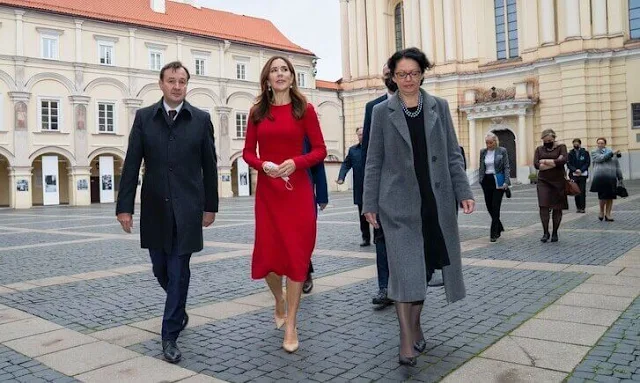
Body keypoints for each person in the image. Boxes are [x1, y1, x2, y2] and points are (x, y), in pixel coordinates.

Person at [362, 48, 474, 366]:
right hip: (396, 205)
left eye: (413, 73)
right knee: (403, 272)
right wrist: (369, 202)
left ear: (423, 73)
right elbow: (373, 161)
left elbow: (453, 153)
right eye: (401, 74)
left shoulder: (439, 106)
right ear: (392, 77)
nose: (408, 79)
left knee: (422, 272)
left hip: (435, 204)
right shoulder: (381, 112)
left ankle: (415, 324)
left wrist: (463, 191)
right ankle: (405, 339)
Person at [116, 61, 219, 363]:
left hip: (187, 210)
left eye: (182, 81)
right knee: (160, 269)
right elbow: (132, 163)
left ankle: (169, 335)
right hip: (155, 210)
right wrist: (125, 208)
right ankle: (179, 308)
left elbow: (209, 167)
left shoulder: (200, 119)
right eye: (171, 81)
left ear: (188, 85)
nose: (177, 86)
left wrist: (210, 206)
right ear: (161, 84)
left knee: (178, 272)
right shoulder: (145, 118)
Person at [242, 56, 327, 353]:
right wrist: (263, 164)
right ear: (267, 79)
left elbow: (320, 150)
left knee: (296, 255)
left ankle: (291, 323)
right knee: (268, 256)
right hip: (269, 192)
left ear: (292, 77)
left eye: (285, 70)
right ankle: (278, 300)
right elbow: (247, 153)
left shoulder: (305, 110)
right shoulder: (257, 112)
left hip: (298, 191)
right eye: (274, 70)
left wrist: (295, 162)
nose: (280, 74)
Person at [361, 63, 397, 307]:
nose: (389, 78)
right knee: (382, 240)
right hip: (384, 189)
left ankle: (410, 283)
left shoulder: (422, 104)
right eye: (385, 74)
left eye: (391, 73)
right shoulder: (372, 108)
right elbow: (368, 156)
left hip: (413, 188)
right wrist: (368, 198)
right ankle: (385, 287)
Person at [303, 137, 329, 294]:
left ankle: (305, 273)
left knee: (302, 238)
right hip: (278, 192)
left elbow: (318, 162)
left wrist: (322, 194)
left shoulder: (305, 127)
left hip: (304, 191)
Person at [533, 129, 568, 243]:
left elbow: (563, 161)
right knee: (543, 206)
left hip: (558, 181)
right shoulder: (539, 149)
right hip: (543, 181)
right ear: (542, 139)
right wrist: (554, 162)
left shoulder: (561, 147)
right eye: (545, 140)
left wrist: (545, 161)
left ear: (554, 139)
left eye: (550, 140)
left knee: (557, 208)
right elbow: (537, 165)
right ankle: (545, 232)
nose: (547, 142)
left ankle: (555, 232)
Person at [336, 128, 369, 247]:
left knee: (377, 213)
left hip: (374, 187)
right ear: (357, 136)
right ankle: (366, 238)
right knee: (362, 214)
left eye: (363, 134)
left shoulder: (373, 148)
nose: (361, 136)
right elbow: (346, 164)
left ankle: (378, 237)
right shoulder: (353, 150)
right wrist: (341, 177)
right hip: (360, 187)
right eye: (359, 134)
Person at [478, 132, 510, 242]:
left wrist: (506, 181)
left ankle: (494, 232)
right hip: (486, 180)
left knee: (496, 206)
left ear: (495, 142)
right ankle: (499, 226)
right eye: (487, 143)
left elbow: (506, 167)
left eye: (490, 143)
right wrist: (480, 179)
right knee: (489, 206)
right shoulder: (483, 152)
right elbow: (481, 166)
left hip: (498, 180)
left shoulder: (502, 151)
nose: (488, 145)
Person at [590, 137, 623, 221]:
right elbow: (600, 158)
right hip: (601, 177)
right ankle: (601, 211)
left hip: (611, 177)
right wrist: (612, 153)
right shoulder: (594, 152)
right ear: (597, 144)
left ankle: (608, 214)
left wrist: (620, 177)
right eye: (599, 143)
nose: (600, 145)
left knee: (610, 197)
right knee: (602, 197)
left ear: (605, 144)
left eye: (602, 143)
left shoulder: (611, 152)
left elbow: (617, 165)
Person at [567, 138, 590, 213]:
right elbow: (568, 164)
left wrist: (581, 170)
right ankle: (578, 207)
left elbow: (587, 163)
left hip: (582, 175)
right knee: (575, 191)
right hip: (574, 175)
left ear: (580, 144)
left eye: (577, 143)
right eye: (574, 143)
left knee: (582, 191)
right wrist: (575, 170)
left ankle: (582, 207)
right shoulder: (570, 153)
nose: (575, 144)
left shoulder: (585, 152)